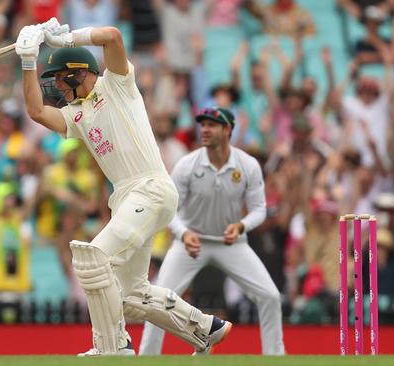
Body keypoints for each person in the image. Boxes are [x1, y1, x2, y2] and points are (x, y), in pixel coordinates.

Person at [15, 19, 232, 356]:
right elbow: (35, 111)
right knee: (130, 296)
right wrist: (28, 60)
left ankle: (112, 346)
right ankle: (204, 328)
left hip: (150, 187)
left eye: (59, 78)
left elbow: (113, 37)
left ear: (77, 72)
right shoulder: (76, 114)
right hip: (127, 197)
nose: (57, 87)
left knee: (93, 259)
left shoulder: (115, 84)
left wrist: (66, 38)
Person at [139, 107, 285, 355]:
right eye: (203, 125)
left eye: (212, 125)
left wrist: (242, 226)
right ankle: (147, 357)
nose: (204, 130)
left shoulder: (247, 165)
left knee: (270, 296)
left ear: (227, 130)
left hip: (232, 244)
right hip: (190, 244)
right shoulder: (187, 164)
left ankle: (275, 357)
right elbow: (168, 210)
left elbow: (259, 209)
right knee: (158, 301)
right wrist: (184, 233)